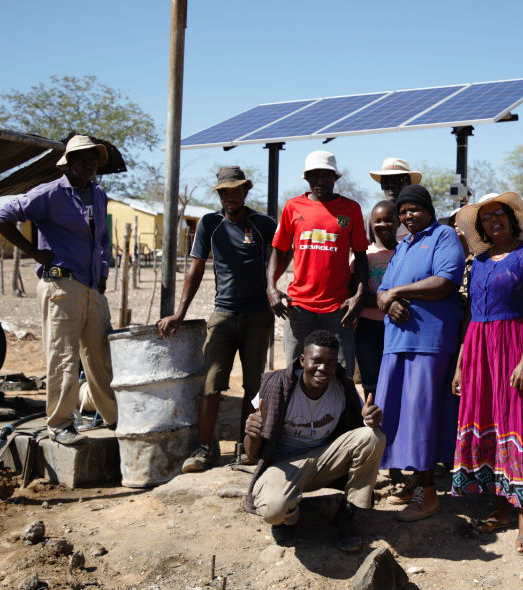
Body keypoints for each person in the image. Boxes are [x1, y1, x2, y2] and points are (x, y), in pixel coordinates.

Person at [0, 135, 117, 445]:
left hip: (92, 288)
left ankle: (116, 419)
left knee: (101, 356)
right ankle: (60, 425)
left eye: (93, 160)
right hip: (61, 284)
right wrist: (35, 252)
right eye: (82, 159)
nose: (89, 165)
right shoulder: (49, 193)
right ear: (69, 163)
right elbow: (1, 218)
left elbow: (101, 239)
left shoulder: (98, 195)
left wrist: (102, 270)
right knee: (63, 357)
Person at [158, 166, 277, 473]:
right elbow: (196, 268)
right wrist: (180, 313)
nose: (231, 196)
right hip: (223, 314)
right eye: (225, 191)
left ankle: (246, 446)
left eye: (236, 190)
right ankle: (204, 448)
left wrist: (274, 287)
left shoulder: (263, 223)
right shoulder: (210, 224)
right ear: (219, 194)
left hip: (257, 316)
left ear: (246, 191)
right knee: (211, 384)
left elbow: (281, 254)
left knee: (253, 386)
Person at [450, 192, 523, 557]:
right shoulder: (477, 262)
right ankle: (502, 507)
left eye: (499, 215)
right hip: (478, 347)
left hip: (513, 346)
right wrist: (461, 364)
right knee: (489, 421)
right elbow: (470, 315)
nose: (493, 221)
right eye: (486, 218)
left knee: (519, 423)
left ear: (512, 220)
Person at [243, 330, 384, 553]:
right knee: (273, 510)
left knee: (373, 436)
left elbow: (357, 434)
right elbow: (252, 455)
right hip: (284, 466)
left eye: (330, 363)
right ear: (302, 360)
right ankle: (289, 517)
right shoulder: (274, 386)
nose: (323, 369)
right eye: (316, 361)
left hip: (323, 461)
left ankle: (348, 512)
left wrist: (369, 419)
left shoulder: (343, 388)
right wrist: (251, 435)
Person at [374, 185, 465, 522]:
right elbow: (383, 291)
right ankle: (415, 481)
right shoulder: (404, 245)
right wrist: (389, 298)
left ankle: (429, 494)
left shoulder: (442, 235)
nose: (407, 216)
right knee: (401, 416)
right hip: (398, 344)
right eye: (403, 211)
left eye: (413, 209)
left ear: (428, 209)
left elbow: (446, 280)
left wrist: (396, 292)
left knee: (423, 417)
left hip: (428, 343)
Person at [267, 150, 369, 378]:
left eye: (326, 175)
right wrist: (271, 288)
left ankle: (341, 415)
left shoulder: (351, 209)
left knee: (342, 375)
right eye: (314, 175)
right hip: (299, 306)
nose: (320, 181)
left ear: (336, 177)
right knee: (294, 373)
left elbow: (361, 255)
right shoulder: (293, 207)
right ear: (306, 177)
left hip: (339, 309)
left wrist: (359, 294)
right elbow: (278, 250)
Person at [351, 201, 398, 398]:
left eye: (388, 220)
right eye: (377, 221)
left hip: (398, 325)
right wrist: (386, 302)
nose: (382, 225)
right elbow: (354, 294)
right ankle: (372, 425)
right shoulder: (363, 256)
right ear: (370, 223)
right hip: (368, 326)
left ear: (397, 222)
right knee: (372, 383)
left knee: (396, 380)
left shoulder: (406, 252)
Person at [368, 157, 421, 242]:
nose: (391, 186)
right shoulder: (374, 217)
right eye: (386, 181)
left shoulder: (419, 215)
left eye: (397, 180)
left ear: (408, 183)